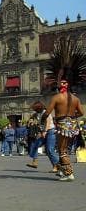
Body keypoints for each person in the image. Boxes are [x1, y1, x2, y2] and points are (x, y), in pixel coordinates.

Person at [42, 37, 85, 181]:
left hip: (61, 124)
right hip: (72, 125)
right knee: (63, 147)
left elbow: (47, 112)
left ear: (61, 84)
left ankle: (69, 173)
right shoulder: (75, 98)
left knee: (61, 149)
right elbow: (82, 113)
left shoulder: (56, 98)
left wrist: (45, 119)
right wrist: (72, 116)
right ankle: (61, 171)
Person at [26, 101, 59, 172]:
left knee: (49, 150)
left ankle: (58, 165)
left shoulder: (45, 112)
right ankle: (35, 162)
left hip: (50, 131)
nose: (34, 110)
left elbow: (48, 121)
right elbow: (37, 123)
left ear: (39, 108)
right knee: (35, 144)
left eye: (35, 109)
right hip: (43, 132)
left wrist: (45, 131)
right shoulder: (37, 114)